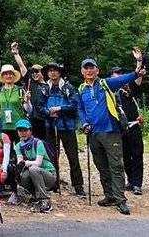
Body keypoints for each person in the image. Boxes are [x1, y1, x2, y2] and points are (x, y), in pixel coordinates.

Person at [78, 57, 146, 215]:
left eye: (92, 68)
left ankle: (120, 200)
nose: (89, 71)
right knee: (102, 166)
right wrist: (84, 123)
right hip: (93, 133)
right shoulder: (81, 89)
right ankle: (109, 196)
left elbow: (123, 79)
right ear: (82, 71)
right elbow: (80, 109)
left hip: (111, 131)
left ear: (97, 70)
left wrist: (137, 73)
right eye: (86, 68)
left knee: (116, 166)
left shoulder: (106, 83)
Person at [39, 61, 84, 197]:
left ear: (60, 72)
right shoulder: (44, 88)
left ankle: (78, 185)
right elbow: (39, 106)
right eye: (50, 70)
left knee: (73, 156)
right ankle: (53, 182)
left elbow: (74, 105)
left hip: (67, 126)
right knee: (52, 156)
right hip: (50, 126)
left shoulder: (68, 87)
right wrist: (48, 112)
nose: (53, 73)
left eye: (55, 70)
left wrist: (60, 109)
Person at [112, 49, 146, 195]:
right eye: (116, 74)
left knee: (137, 154)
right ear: (111, 76)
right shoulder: (110, 89)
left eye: (121, 73)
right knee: (125, 156)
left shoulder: (130, 86)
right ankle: (131, 180)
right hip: (119, 127)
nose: (118, 75)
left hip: (134, 125)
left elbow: (138, 76)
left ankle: (137, 184)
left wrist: (139, 61)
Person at [14, 119, 57, 213]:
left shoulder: (38, 143)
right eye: (20, 130)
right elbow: (20, 161)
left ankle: (45, 200)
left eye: (25, 130)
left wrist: (25, 163)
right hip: (34, 174)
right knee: (22, 176)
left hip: (48, 174)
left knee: (33, 169)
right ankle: (35, 195)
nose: (23, 133)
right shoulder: (18, 146)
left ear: (30, 130)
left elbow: (38, 163)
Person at [0, 63, 31, 144]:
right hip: (3, 126)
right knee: (6, 149)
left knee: (20, 149)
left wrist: (27, 100)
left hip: (19, 126)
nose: (8, 76)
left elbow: (29, 110)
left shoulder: (20, 91)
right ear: (2, 76)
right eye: (6, 74)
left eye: (10, 74)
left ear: (14, 76)